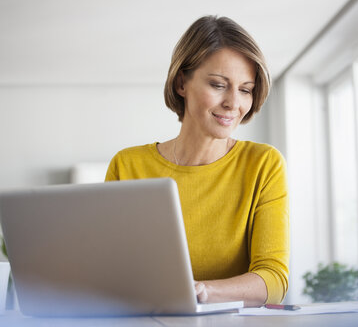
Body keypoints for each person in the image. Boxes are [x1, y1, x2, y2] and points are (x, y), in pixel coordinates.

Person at [105, 15, 289, 307]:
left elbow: (274, 279)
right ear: (181, 83)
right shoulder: (128, 165)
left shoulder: (263, 164)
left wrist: (201, 291)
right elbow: (110, 270)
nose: (233, 103)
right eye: (218, 85)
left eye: (245, 89)